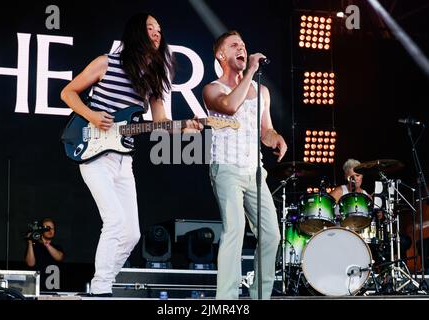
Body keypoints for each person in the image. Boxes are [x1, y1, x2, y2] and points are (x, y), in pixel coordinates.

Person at [60, 13, 202, 297]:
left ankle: (102, 284)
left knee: (132, 233)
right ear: (136, 33)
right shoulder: (106, 62)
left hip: (124, 159)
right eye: (150, 28)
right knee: (113, 220)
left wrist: (187, 128)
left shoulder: (153, 79)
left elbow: (161, 123)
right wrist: (91, 114)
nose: (157, 33)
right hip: (92, 151)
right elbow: (68, 92)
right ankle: (101, 290)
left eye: (160, 29)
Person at [202, 30, 288, 299]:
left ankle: (259, 296)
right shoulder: (213, 88)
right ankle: (226, 299)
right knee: (235, 229)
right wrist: (250, 70)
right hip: (226, 168)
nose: (242, 48)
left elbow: (266, 130)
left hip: (255, 172)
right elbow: (228, 106)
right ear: (221, 55)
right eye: (234, 45)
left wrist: (276, 138)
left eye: (243, 44)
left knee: (272, 234)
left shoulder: (261, 91)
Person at [25, 218, 64, 291]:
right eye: (47, 228)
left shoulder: (57, 247)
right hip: (36, 290)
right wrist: (30, 242)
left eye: (52, 228)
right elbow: (30, 263)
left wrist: (45, 243)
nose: (50, 230)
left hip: (53, 290)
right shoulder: (34, 247)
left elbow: (59, 257)